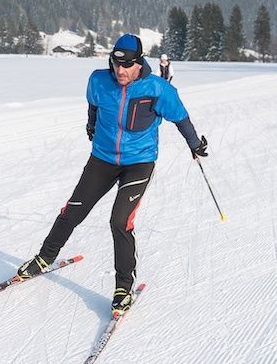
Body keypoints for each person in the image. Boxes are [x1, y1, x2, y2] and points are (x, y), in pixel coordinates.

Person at [16, 34, 208, 314]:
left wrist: (195, 144)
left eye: (127, 66)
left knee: (120, 220)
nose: (120, 71)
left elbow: (180, 117)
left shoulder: (158, 89)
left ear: (139, 64)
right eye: (116, 65)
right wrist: (91, 125)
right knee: (73, 211)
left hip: (139, 162)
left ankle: (123, 287)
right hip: (103, 159)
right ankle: (45, 258)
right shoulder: (98, 80)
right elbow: (93, 106)